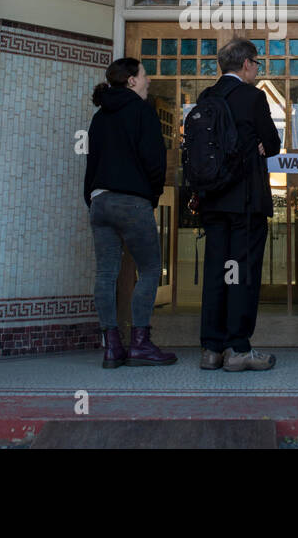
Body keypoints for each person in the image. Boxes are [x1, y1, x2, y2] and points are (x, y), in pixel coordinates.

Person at [83, 57, 177, 367]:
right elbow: (154, 161)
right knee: (150, 269)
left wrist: (93, 198)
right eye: (145, 75)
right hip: (132, 202)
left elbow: (91, 163)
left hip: (100, 201)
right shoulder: (142, 111)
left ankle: (111, 346)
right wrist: (151, 196)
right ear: (132, 80)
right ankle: (140, 343)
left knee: (106, 273)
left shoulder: (99, 117)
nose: (148, 80)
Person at [194, 38, 281, 372]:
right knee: (241, 272)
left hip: (213, 200)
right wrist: (259, 144)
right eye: (257, 64)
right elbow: (271, 143)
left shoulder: (207, 97)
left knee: (218, 271)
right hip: (245, 200)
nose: (257, 70)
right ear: (246, 64)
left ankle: (211, 349)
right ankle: (238, 348)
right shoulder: (253, 97)